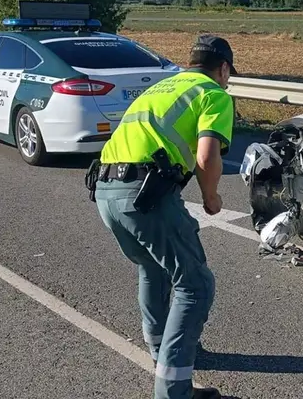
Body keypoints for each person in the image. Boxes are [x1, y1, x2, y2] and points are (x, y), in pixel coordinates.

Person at [89, 35, 237, 399]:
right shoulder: (213, 94)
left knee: (153, 269)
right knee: (195, 285)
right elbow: (206, 156)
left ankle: (162, 350)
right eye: (228, 73)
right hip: (146, 195)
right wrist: (211, 197)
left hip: (106, 191)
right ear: (222, 68)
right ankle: (173, 390)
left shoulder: (162, 87)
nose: (228, 80)